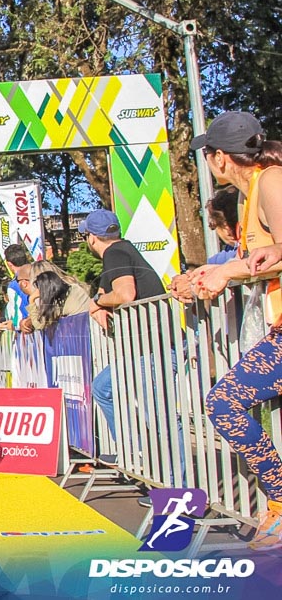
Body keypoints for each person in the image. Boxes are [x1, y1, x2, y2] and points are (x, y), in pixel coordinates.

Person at [182, 112, 282, 550]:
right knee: (224, 402)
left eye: (207, 155)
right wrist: (211, 274)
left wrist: (231, 271)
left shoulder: (272, 181)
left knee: (224, 402)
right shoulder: (249, 195)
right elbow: (263, 260)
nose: (206, 163)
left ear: (221, 158)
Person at [82, 208, 167, 443]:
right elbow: (105, 291)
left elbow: (125, 294)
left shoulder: (115, 253)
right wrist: (99, 302)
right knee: (102, 388)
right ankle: (135, 451)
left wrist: (98, 302)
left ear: (91, 237)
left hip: (152, 347)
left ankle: (173, 474)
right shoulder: (122, 251)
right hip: (145, 347)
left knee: (159, 418)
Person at [3, 243, 32, 327]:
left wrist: (12, 325)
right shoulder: (40, 273)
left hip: (29, 332)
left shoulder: (13, 286)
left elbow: (18, 317)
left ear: (9, 264)